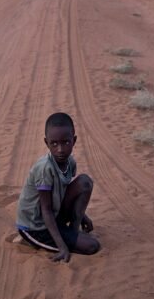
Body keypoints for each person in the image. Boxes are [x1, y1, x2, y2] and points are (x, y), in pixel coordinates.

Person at [15, 112, 101, 262]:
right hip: (35, 227)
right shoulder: (45, 169)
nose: (60, 149)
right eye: (54, 143)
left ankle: (73, 231)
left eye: (66, 142)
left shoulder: (70, 163)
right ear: (46, 142)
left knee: (84, 182)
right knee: (92, 246)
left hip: (53, 216)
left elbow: (64, 192)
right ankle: (64, 239)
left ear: (74, 141)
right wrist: (62, 247)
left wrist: (82, 217)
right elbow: (46, 210)